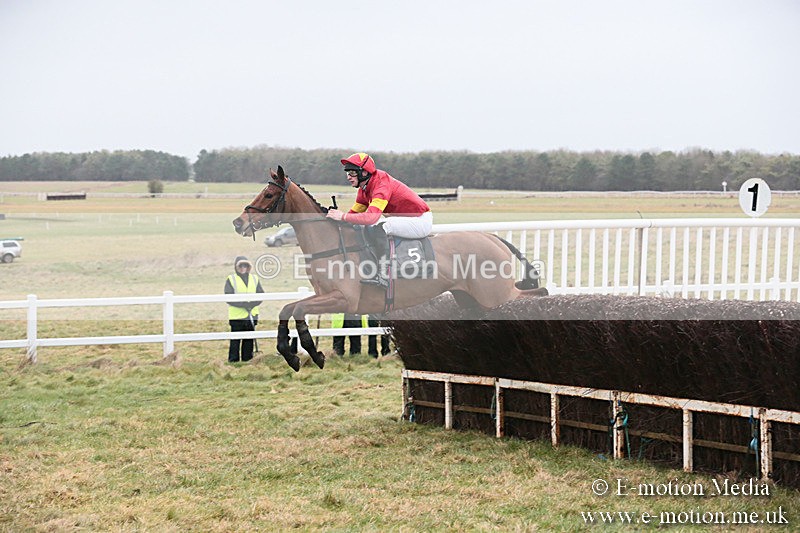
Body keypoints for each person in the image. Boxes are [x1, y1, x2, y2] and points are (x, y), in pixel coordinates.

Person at [326, 152, 432, 288]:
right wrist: (334, 219)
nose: (348, 177)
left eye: (352, 173)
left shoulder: (381, 185)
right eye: (347, 173)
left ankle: (384, 275)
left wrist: (342, 216)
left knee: (381, 226)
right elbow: (354, 214)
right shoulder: (364, 188)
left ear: (364, 172)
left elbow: (371, 218)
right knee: (368, 226)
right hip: (405, 218)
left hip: (420, 220)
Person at [224, 256, 264, 363]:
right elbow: (228, 297)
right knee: (235, 340)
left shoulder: (254, 279)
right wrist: (244, 304)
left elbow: (261, 294)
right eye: (240, 265)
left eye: (245, 265)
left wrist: (252, 304)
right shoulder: (231, 279)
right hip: (237, 316)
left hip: (252, 314)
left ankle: (247, 360)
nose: (243, 268)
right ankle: (233, 361)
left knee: (249, 339)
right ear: (236, 267)